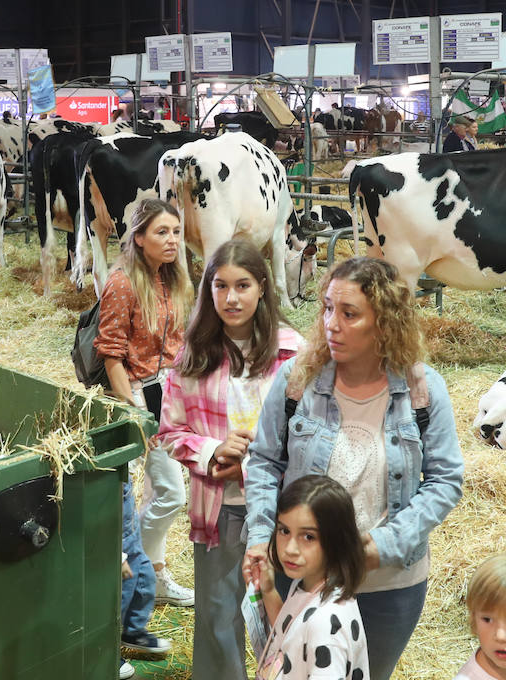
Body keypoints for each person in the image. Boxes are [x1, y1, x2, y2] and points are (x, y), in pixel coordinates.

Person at [243, 256, 465, 679]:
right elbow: (265, 461)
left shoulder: (421, 388)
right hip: (303, 571)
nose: (332, 324)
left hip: (386, 584)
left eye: (349, 314)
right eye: (328, 308)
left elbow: (445, 479)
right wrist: (259, 536)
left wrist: (386, 544)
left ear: (384, 321)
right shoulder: (298, 379)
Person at [157, 238, 305, 680]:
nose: (231, 298)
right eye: (220, 286)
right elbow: (169, 430)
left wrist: (260, 463)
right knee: (219, 617)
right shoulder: (193, 353)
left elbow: (312, 434)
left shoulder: (293, 355)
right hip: (219, 507)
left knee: (282, 614)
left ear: (262, 287)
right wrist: (210, 451)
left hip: (283, 511)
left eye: (242, 285)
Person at [96, 198, 196, 612]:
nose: (172, 240)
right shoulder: (122, 282)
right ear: (139, 238)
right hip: (136, 393)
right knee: (170, 493)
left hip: (168, 391)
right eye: (161, 232)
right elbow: (110, 354)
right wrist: (136, 413)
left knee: (163, 489)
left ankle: (151, 572)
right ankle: (123, 565)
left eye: (175, 231)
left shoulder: (172, 280)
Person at [245, 474, 369, 680]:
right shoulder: (311, 583)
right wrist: (268, 591)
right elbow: (293, 636)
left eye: (308, 536)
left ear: (337, 540)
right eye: (284, 530)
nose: (290, 549)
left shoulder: (326, 626)